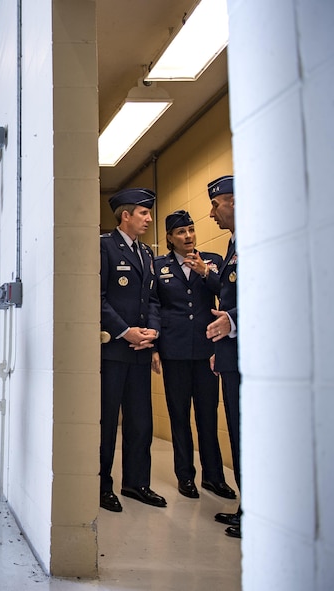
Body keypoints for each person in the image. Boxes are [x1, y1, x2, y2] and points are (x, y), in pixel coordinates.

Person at [151, 210, 235, 501]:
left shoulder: (212, 261)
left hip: (206, 350)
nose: (188, 236)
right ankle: (185, 476)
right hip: (173, 351)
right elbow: (155, 307)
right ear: (170, 238)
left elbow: (226, 293)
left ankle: (214, 477)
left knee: (208, 415)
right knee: (178, 416)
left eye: (191, 230)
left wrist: (205, 272)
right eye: (181, 233)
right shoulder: (158, 265)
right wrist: (155, 348)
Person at [99, 188, 164, 512]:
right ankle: (102, 486)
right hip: (113, 351)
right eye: (143, 213)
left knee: (141, 421)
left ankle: (137, 483)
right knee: (107, 421)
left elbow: (152, 300)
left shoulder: (146, 255)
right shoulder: (104, 247)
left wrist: (152, 331)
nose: (149, 219)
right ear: (126, 215)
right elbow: (98, 298)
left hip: (140, 349)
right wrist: (125, 332)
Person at [205, 175, 242, 538]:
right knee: (237, 432)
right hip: (232, 356)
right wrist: (222, 347)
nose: (212, 212)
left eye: (216, 204)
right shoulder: (234, 244)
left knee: (249, 434)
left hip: (252, 361)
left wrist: (232, 323)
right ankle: (248, 508)